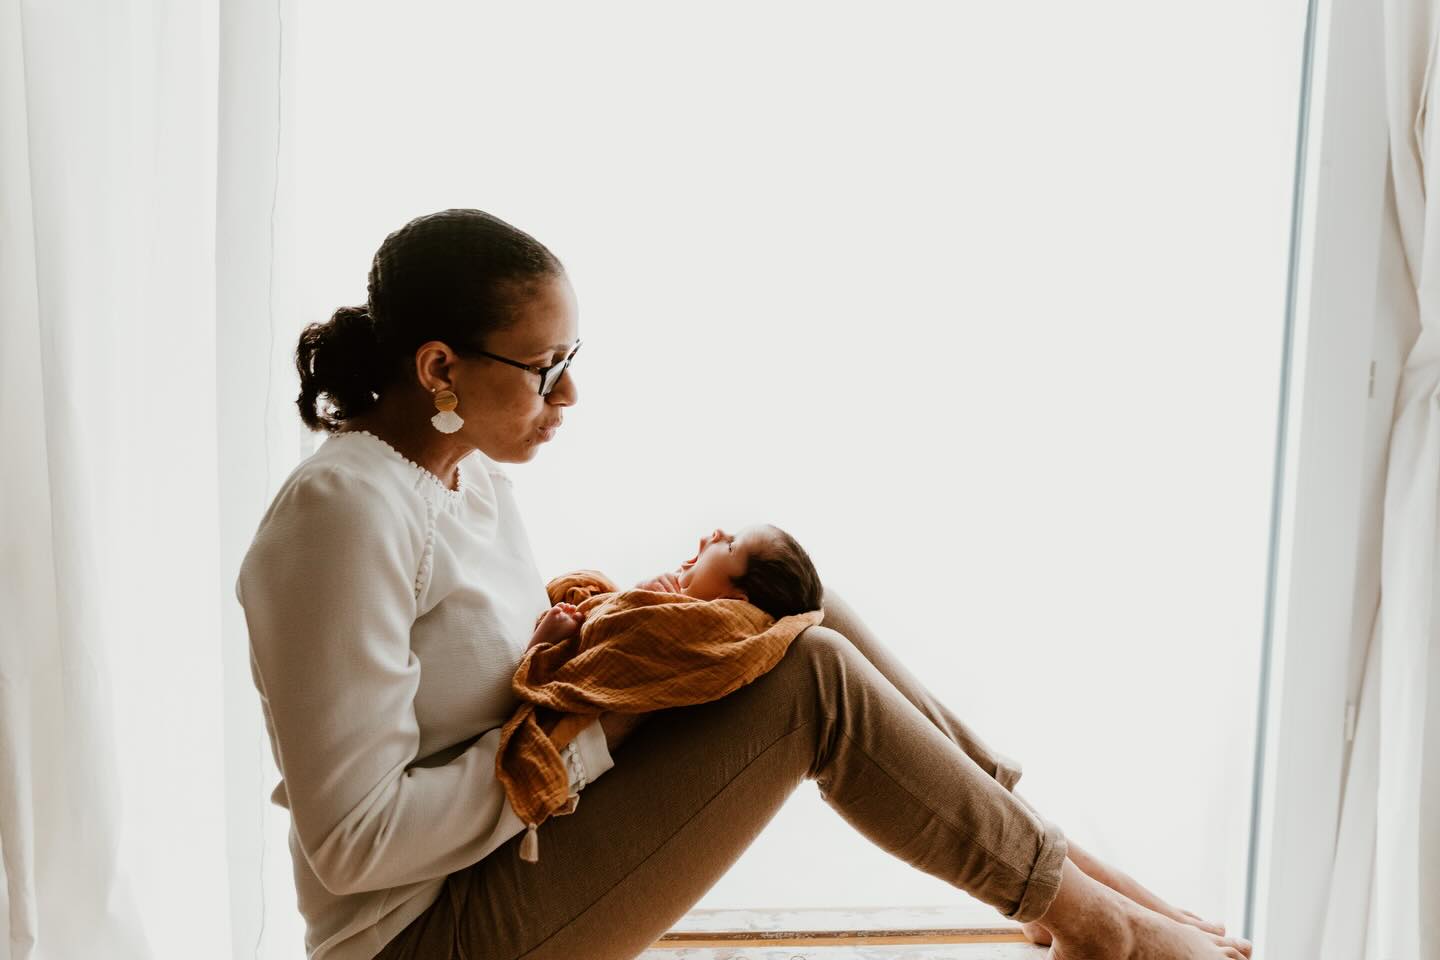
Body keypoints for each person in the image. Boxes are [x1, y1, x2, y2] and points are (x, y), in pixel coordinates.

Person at [234, 207, 1255, 960]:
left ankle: (1054, 864)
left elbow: (485, 673)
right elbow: (354, 845)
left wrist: (658, 630)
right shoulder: (340, 520)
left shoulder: (465, 480)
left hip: (506, 860)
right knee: (805, 677)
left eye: (572, 358)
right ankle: (1103, 926)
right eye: (546, 369)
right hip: (422, 936)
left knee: (774, 591)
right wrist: (602, 735)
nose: (571, 394)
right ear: (439, 369)